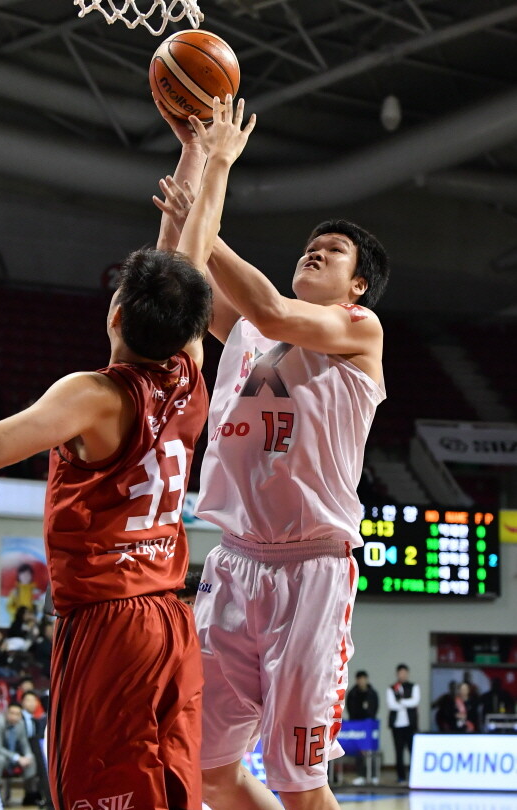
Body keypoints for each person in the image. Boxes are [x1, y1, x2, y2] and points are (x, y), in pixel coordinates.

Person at [0, 119, 251, 805]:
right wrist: (204, 155)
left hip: (109, 627)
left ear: (116, 317)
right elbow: (185, 268)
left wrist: (209, 160)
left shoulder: (94, 396)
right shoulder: (189, 376)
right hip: (169, 622)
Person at [154, 95, 388, 810]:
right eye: (311, 244)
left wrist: (211, 212)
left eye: (334, 250)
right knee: (206, 769)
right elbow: (178, 274)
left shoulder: (359, 329)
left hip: (310, 571)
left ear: (356, 285)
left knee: (300, 784)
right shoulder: (250, 334)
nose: (315, 250)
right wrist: (195, 153)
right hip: (233, 566)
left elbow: (271, 307)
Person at [0, 702, 39, 805]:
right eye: (12, 713)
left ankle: (30, 795)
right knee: (0, 759)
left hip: (13, 757)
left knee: (31, 758)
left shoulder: (20, 724)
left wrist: (27, 755)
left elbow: (24, 744)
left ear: (21, 715)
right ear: (6, 713)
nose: (14, 716)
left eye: (17, 714)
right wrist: (17, 757)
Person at [386, 664, 420, 784]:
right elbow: (391, 705)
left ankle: (413, 776)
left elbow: (415, 701)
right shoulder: (392, 688)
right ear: (397, 674)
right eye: (401, 673)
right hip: (397, 726)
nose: (403, 675)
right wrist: (407, 703)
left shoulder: (414, 686)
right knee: (398, 751)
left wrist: (401, 701)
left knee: (412, 750)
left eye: (405, 673)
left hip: (410, 725)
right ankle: (401, 776)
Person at [345, 670, 379, 785]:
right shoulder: (353, 693)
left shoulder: (372, 693)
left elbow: (375, 707)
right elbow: (350, 708)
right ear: (357, 680)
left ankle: (373, 774)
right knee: (359, 751)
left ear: (366, 679)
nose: (362, 681)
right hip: (357, 726)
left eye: (364, 679)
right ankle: (360, 775)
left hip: (369, 725)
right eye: (360, 679)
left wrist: (369, 717)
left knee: (370, 750)